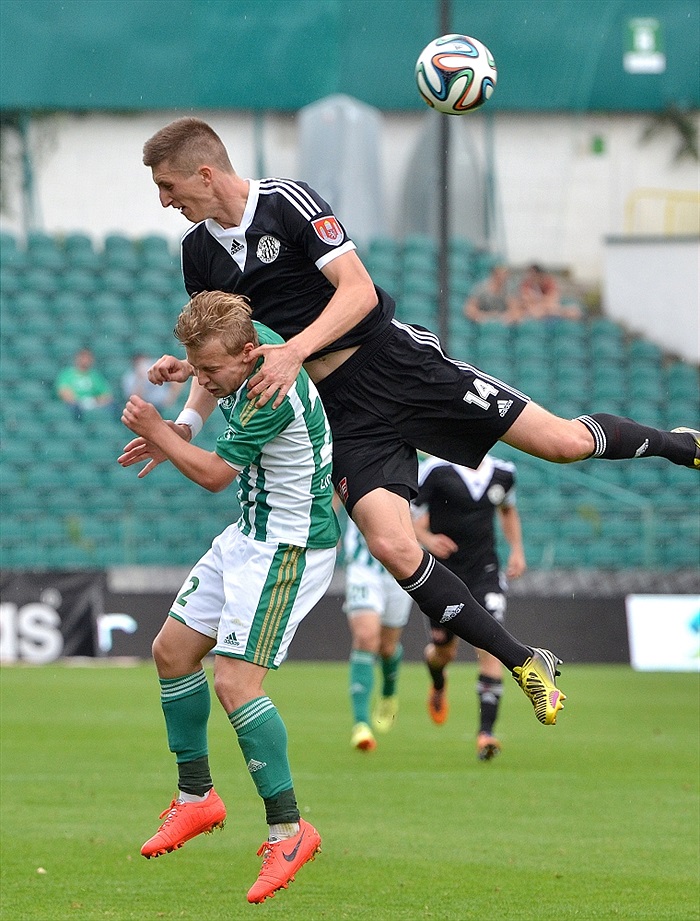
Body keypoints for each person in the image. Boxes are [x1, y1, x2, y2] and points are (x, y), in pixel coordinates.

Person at [132, 116, 699, 732]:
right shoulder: (197, 253)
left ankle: (681, 444)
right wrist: (186, 422)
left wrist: (295, 349)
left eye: (167, 186)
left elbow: (358, 292)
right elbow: (219, 352)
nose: (164, 201)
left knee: (562, 443)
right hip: (340, 411)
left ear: (205, 173)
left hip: (397, 366)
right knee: (393, 546)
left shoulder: (287, 202)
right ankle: (523, 660)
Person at [119, 291, 339, 904]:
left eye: (212, 368)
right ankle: (197, 796)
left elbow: (216, 476)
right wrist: (189, 385)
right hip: (249, 532)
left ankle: (289, 830)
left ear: (247, 353)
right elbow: (213, 373)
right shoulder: (247, 339)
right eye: (200, 366)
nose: (206, 378)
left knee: (236, 683)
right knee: (171, 652)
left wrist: (161, 432)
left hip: (289, 545)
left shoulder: (270, 391)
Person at [412, 453, 526, 761]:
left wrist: (517, 550)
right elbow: (409, 514)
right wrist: (427, 539)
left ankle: (485, 734)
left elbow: (507, 510)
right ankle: (438, 682)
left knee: (491, 645)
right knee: (443, 652)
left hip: (485, 573)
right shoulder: (436, 469)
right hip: (442, 574)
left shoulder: (504, 472)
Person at [342, 515, 412, 752]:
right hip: (363, 567)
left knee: (387, 647)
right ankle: (361, 724)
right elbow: (332, 497)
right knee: (365, 637)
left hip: (400, 566)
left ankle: (388, 691)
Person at [55, 347, 113, 420]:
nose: (85, 360)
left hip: (94, 406)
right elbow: (63, 392)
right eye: (83, 357)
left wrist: (93, 402)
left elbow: (106, 395)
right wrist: (80, 402)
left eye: (88, 358)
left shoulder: (96, 376)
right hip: (74, 406)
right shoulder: (67, 374)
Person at [517, 264, 582, 321]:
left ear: (539, 275)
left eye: (533, 275)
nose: (531, 277)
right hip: (534, 308)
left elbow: (553, 297)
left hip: (547, 308)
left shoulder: (548, 282)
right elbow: (525, 298)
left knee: (570, 311)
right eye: (530, 275)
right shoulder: (526, 283)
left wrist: (538, 300)